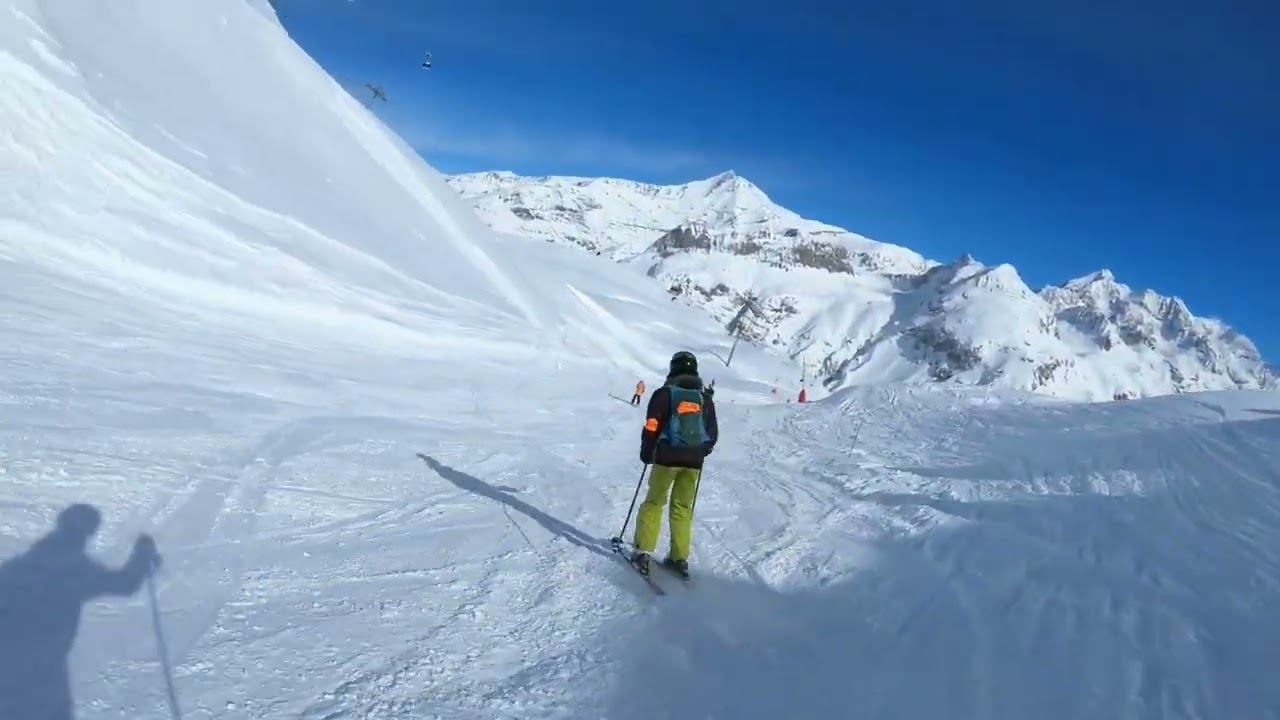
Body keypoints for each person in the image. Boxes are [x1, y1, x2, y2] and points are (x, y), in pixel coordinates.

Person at [631, 351, 718, 577]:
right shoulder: (705, 399)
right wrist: (700, 452)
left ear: (673, 369)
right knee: (682, 508)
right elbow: (712, 433)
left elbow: (652, 426)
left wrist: (647, 452)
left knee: (654, 502)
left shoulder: (665, 394)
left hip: (667, 458)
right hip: (693, 462)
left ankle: (642, 551)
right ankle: (679, 559)